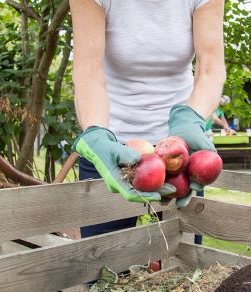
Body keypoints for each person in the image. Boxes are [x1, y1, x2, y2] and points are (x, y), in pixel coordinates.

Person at [69, 0, 225, 239]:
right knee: (102, 267)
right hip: (112, 151)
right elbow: (88, 70)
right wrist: (96, 132)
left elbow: (210, 67)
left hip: (180, 150)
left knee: (184, 264)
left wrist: (190, 116)